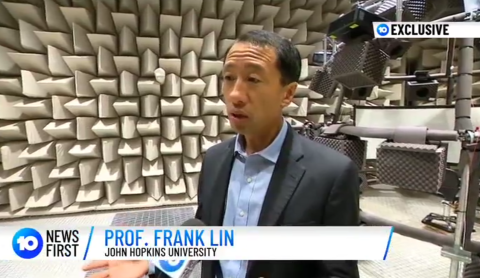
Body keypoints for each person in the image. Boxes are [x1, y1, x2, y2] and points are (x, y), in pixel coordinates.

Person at [83, 30, 360, 278]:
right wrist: (156, 260)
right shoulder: (215, 160)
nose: (235, 94)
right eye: (229, 78)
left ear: (287, 94)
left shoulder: (331, 174)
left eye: (253, 79)